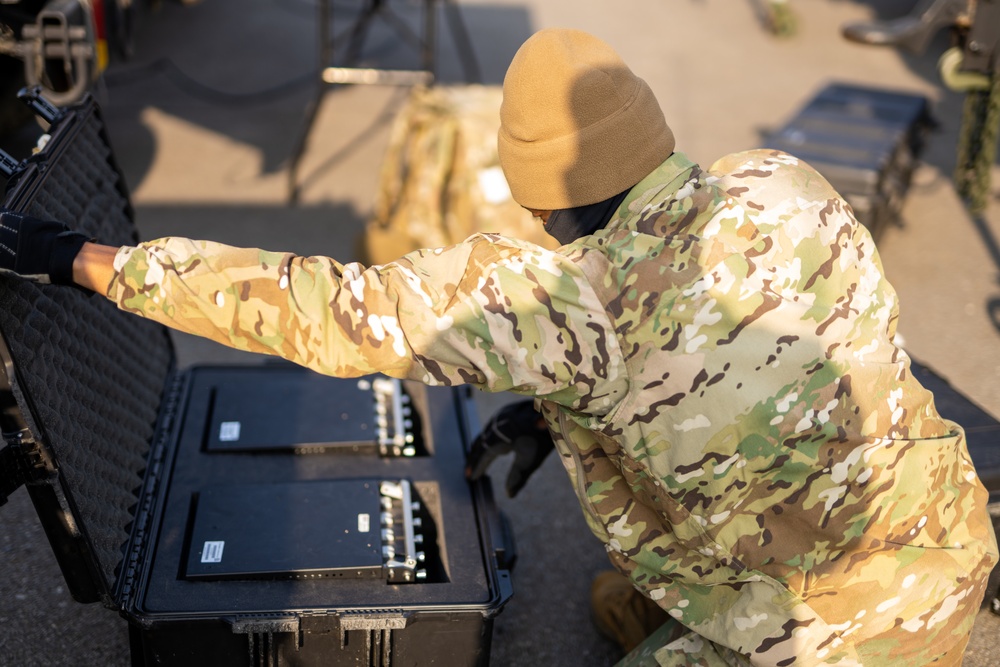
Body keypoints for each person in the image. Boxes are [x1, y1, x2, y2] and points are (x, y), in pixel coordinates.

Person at [0, 28, 996, 666]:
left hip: (840, 640)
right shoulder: (779, 179)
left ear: (536, 191)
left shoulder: (565, 297)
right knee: (621, 596)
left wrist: (88, 260)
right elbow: (754, 368)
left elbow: (329, 308)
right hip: (949, 549)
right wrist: (554, 408)